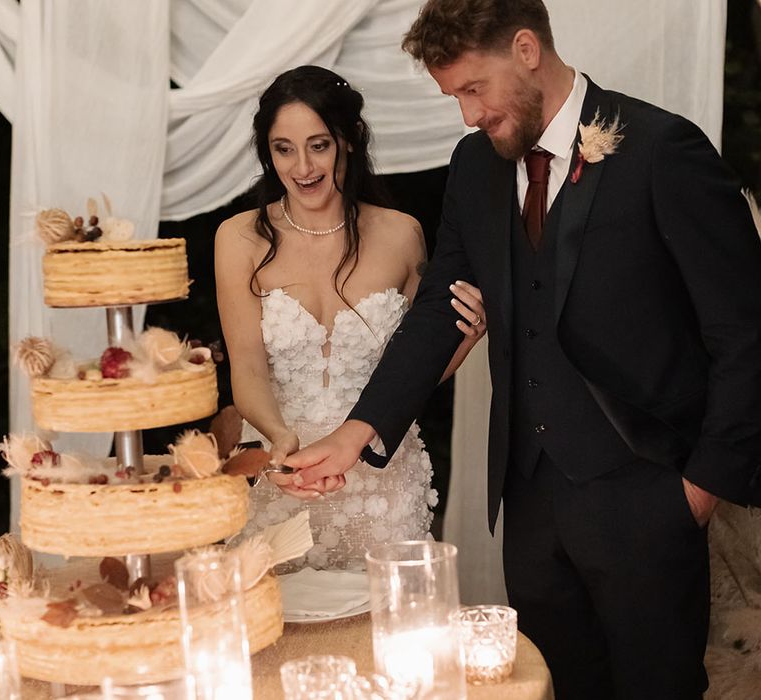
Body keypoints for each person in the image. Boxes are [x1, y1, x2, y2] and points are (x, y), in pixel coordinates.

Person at [285, 2, 761, 698]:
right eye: (454, 98)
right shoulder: (475, 166)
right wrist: (357, 431)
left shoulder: (663, 150)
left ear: (527, 48)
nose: (467, 115)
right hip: (533, 509)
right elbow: (436, 315)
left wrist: (700, 487)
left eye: (475, 89)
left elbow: (745, 331)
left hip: (648, 497)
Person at [214, 65, 486, 571]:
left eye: (318, 145)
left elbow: (409, 369)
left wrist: (462, 344)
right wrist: (278, 440)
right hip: (284, 479)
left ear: (351, 139)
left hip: (384, 485)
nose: (302, 167)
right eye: (283, 148)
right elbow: (246, 368)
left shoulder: (402, 234)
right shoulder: (239, 238)